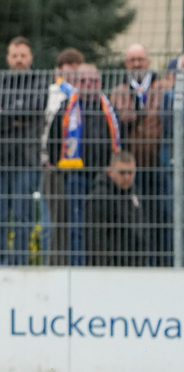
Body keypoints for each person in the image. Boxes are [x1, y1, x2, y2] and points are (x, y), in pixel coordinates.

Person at [0, 37, 50, 266]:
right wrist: (16, 117)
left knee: (23, 217)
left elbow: (35, 108)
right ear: (8, 58)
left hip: (26, 160)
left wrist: (3, 113)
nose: (19, 60)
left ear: (30, 57)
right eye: (14, 55)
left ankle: (21, 264)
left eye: (23, 55)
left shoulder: (39, 84)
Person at [46, 64, 122, 266]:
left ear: (100, 82)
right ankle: (78, 268)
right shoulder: (66, 109)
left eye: (94, 81)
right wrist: (63, 166)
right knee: (76, 227)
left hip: (105, 180)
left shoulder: (110, 110)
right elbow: (53, 142)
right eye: (84, 81)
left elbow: (119, 142)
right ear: (76, 83)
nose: (89, 85)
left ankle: (101, 267)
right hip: (75, 177)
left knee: (105, 226)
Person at [109, 43, 172, 265]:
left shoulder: (164, 87)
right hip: (131, 169)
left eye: (140, 59)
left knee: (163, 216)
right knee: (138, 219)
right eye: (132, 60)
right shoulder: (118, 92)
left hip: (158, 163)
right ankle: (142, 264)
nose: (137, 64)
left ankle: (165, 264)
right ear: (126, 64)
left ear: (148, 61)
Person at [41, 48, 85, 265]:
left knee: (74, 220)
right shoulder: (51, 93)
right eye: (69, 69)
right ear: (59, 70)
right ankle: (52, 265)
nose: (73, 74)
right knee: (53, 221)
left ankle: (72, 264)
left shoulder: (84, 95)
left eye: (77, 69)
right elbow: (44, 127)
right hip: (52, 165)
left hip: (77, 166)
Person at [85, 150, 145, 267]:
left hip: (133, 267)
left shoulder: (134, 194)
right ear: (110, 172)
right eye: (122, 173)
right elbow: (96, 241)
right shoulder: (100, 197)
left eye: (130, 173)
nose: (127, 177)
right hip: (109, 270)